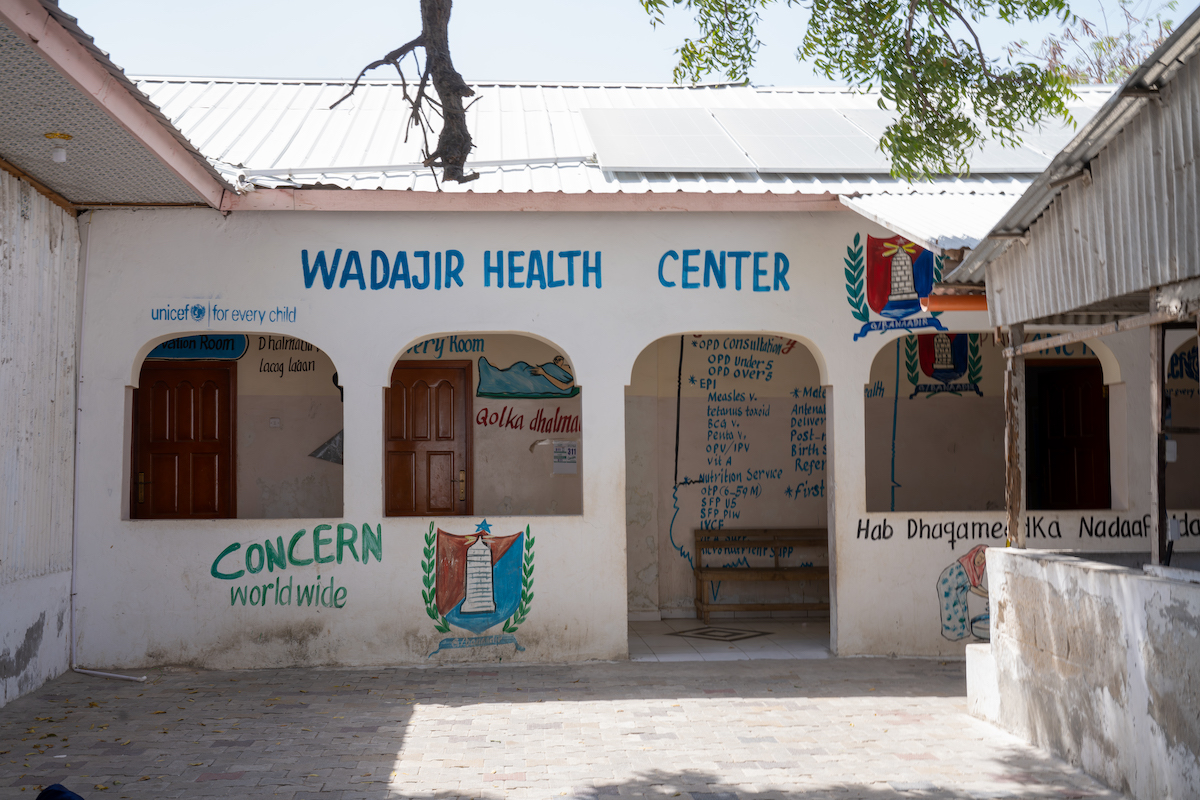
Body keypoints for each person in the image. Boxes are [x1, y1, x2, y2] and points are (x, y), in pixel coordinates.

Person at [937, 544, 989, 641]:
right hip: (947, 586)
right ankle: (954, 634)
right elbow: (973, 588)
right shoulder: (966, 564)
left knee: (962, 606)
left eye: (983, 560)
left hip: (959, 588)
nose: (980, 560)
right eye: (980, 557)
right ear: (975, 553)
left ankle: (963, 632)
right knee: (954, 611)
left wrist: (988, 594)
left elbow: (976, 585)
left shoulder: (974, 569)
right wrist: (988, 595)